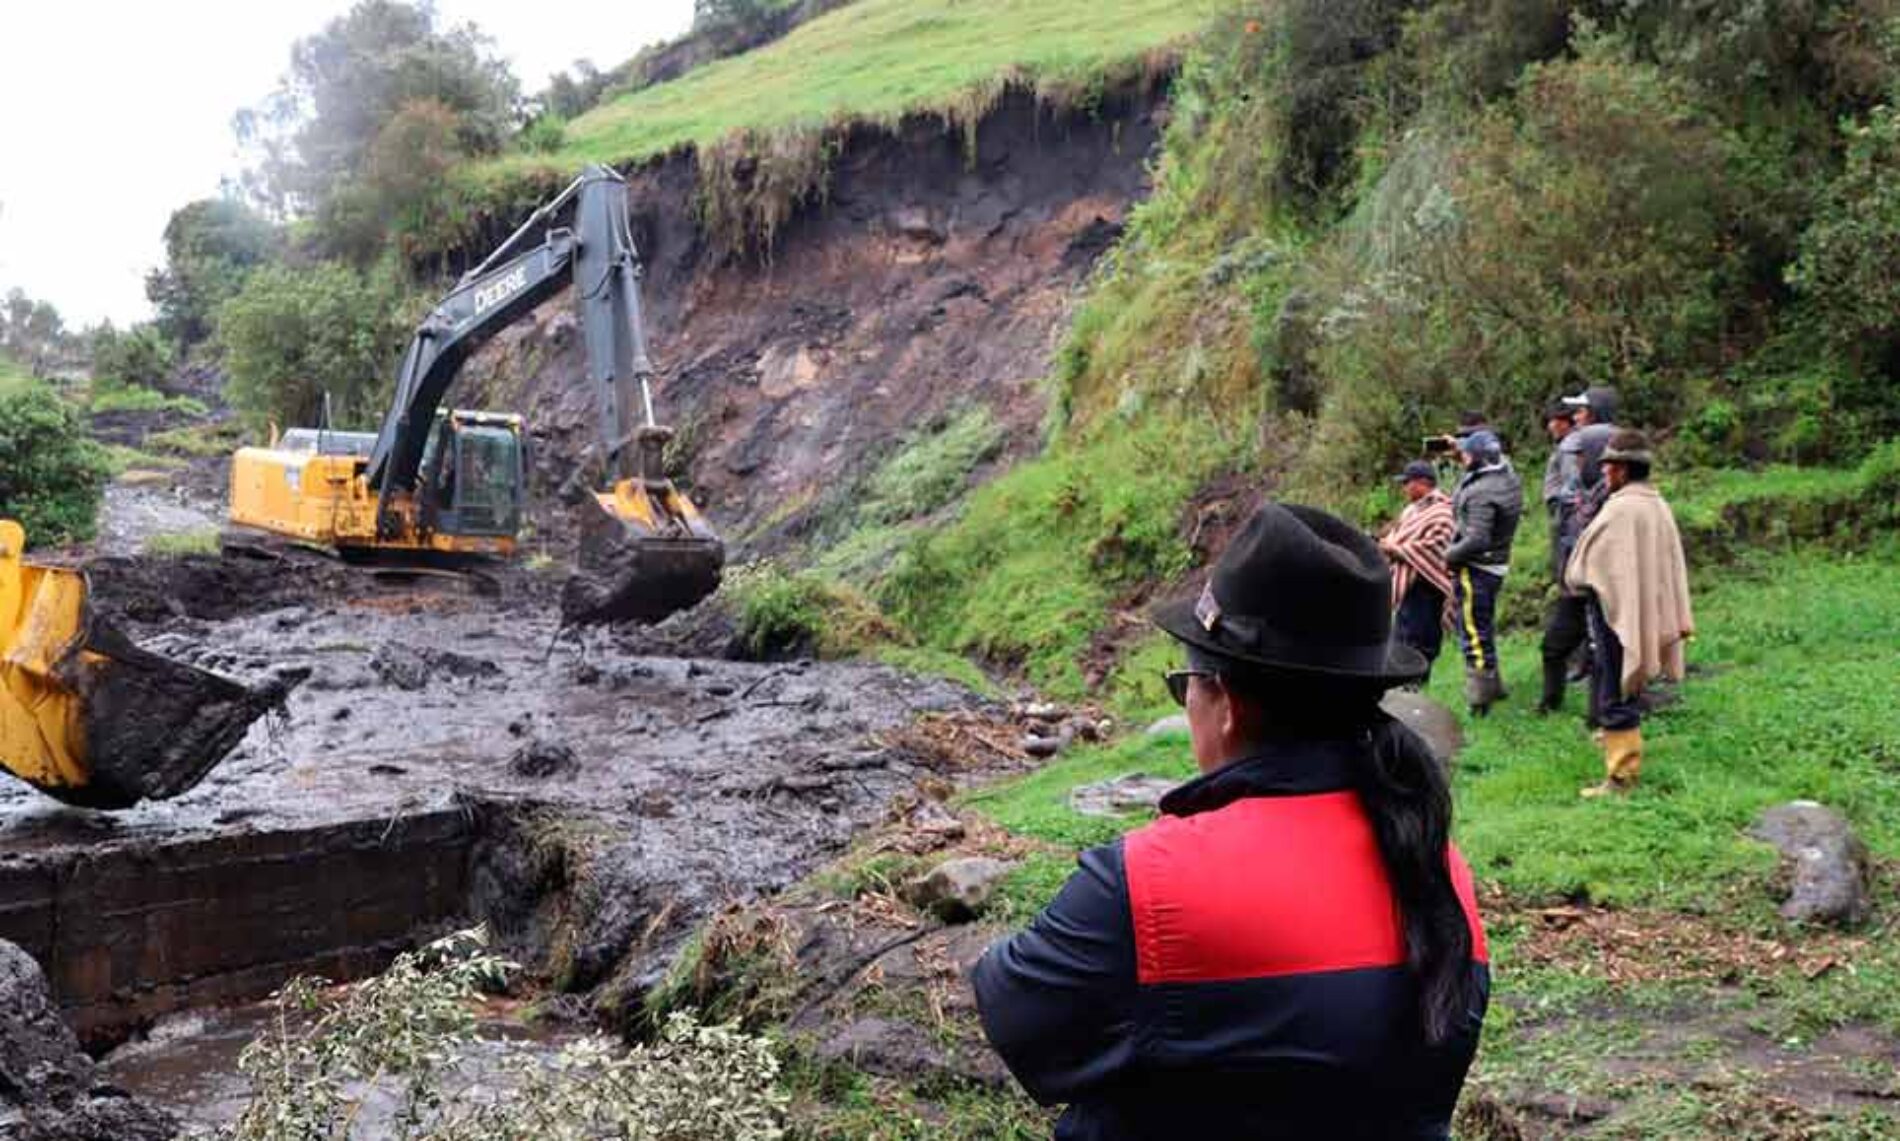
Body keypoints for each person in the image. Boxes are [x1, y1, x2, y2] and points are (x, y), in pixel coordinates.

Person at [973, 503, 1489, 1139]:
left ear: (1225, 705)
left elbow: (1017, 1018)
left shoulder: (1146, 886)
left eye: (1184, 683)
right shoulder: (1438, 869)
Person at [1563, 430, 1694, 798]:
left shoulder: (1622, 509)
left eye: (1608, 468)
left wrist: (1579, 577)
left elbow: (1587, 567)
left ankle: (1621, 778)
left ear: (1620, 469)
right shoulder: (1656, 503)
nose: (1605, 474)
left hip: (1617, 615)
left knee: (1614, 688)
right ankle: (1616, 748)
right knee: (1622, 685)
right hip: (1637, 608)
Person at [1542, 385, 1619, 716]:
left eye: (1582, 410)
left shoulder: (1579, 447)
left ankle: (1599, 715)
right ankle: (1552, 703)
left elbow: (1569, 508)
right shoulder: (1584, 497)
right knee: (1561, 645)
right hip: (1582, 573)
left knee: (1602, 646)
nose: (1576, 416)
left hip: (1594, 574)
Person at [1444, 429, 1522, 716]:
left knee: (1474, 633)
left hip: (1477, 568)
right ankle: (1494, 686)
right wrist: (1462, 450)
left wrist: (1448, 555)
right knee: (1484, 627)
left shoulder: (1481, 493)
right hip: (1496, 564)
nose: (1462, 456)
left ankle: (1480, 700)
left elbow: (1477, 539)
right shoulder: (1506, 476)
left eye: (1466, 454)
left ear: (1477, 459)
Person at [1381, 460, 1456, 682]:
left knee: (1421, 640)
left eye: (1407, 483)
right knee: (1400, 639)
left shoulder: (1442, 511)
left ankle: (1417, 685)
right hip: (1407, 584)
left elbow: (1437, 545)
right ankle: (1399, 686)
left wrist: (1395, 549)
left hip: (1428, 585)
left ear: (1422, 483)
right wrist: (1389, 544)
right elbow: (1400, 535)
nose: (1404, 488)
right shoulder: (1411, 511)